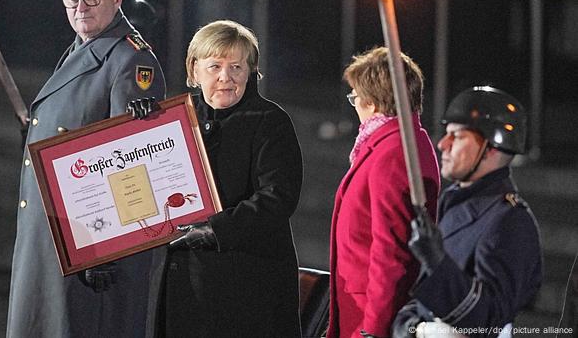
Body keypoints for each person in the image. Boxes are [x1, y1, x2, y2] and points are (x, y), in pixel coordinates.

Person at [6, 0, 166, 338]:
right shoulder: (83, 48)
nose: (82, 7)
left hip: (89, 244)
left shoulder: (130, 60)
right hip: (57, 235)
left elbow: (131, 165)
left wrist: (109, 249)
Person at [138, 20, 303, 338]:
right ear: (195, 71)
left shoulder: (270, 122)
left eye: (236, 67)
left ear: (251, 71)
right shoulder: (172, 121)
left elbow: (278, 197)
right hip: (184, 286)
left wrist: (215, 230)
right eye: (215, 66)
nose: (225, 77)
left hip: (246, 291)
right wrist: (136, 128)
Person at [392, 86, 543, 338]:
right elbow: (416, 301)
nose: (442, 144)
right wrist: (415, 328)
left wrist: (437, 262)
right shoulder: (453, 203)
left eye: (458, 136)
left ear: (491, 147)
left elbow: (490, 318)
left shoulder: (510, 221)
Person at [328, 47, 441, 338]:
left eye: (355, 97)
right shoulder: (396, 143)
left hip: (369, 312)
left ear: (374, 103)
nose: (353, 105)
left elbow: (390, 252)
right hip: (362, 305)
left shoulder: (392, 153)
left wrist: (372, 329)